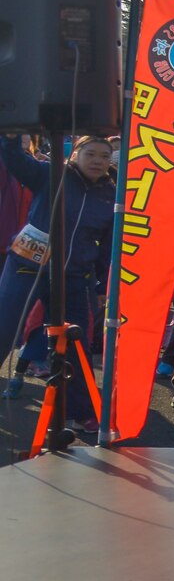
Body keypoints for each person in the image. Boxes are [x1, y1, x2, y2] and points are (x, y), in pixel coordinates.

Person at [0, 134, 116, 433]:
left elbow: (106, 246)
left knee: (76, 344)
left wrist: (103, 286)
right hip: (27, 266)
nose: (98, 161)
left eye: (104, 156)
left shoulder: (110, 194)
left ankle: (80, 412)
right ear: (75, 154)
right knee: (4, 330)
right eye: (90, 154)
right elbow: (16, 163)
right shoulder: (51, 173)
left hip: (75, 277)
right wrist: (11, 140)